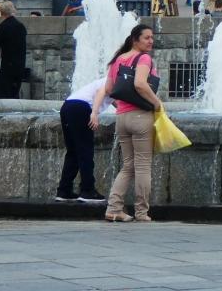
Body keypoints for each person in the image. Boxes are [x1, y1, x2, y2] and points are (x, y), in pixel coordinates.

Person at [102, 23, 162, 222]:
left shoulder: (118, 59)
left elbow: (109, 89)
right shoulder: (143, 58)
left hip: (122, 117)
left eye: (152, 37)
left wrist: (122, 105)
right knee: (143, 166)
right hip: (140, 116)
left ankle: (113, 208)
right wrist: (157, 103)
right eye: (146, 37)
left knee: (128, 166)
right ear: (135, 40)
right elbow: (140, 84)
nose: (151, 41)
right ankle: (142, 213)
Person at [56, 77, 110, 202]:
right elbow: (101, 92)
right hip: (81, 108)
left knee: (73, 152)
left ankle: (64, 190)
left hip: (68, 106)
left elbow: (115, 101)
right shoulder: (117, 77)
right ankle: (87, 190)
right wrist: (94, 113)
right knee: (85, 151)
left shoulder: (110, 78)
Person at [0, 1, 27, 99]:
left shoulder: (2, 27)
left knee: (4, 94)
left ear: (1, 12)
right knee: (15, 93)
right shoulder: (21, 26)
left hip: (7, 66)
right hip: (20, 64)